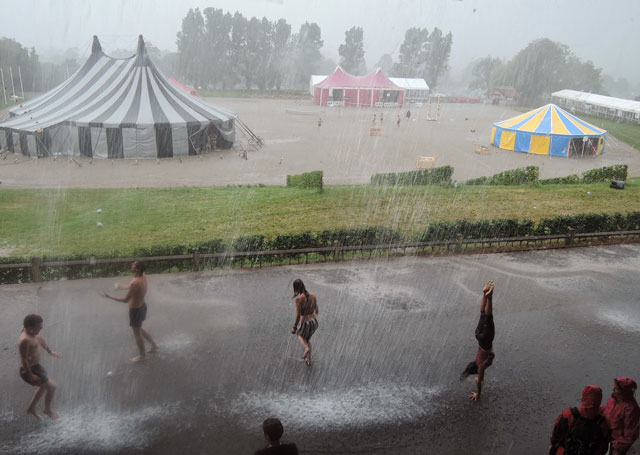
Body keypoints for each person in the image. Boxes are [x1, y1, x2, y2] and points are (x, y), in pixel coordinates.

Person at [101, 261, 158, 363]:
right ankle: (154, 345)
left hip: (135, 310)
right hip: (142, 306)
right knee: (139, 328)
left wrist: (109, 296)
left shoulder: (135, 282)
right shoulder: (143, 276)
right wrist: (120, 286)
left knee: (137, 332)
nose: (131, 265)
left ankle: (142, 355)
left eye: (133, 265)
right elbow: (131, 287)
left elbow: (125, 300)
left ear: (137, 269)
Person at [18, 314, 62, 420]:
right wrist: (31, 375)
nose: (41, 328)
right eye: (39, 327)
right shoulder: (25, 340)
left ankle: (31, 408)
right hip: (29, 370)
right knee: (51, 387)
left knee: (43, 387)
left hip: (37, 367)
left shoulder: (33, 332)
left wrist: (50, 351)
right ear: (29, 327)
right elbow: (24, 360)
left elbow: (40, 339)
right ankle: (47, 409)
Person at [549, 385, 610, 455]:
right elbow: (603, 447)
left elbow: (555, 437)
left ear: (584, 397)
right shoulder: (602, 423)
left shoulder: (569, 415)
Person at [460, 280, 495, 400]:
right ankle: (484, 293)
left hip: (485, 340)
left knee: (488, 317)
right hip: (478, 337)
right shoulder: (478, 361)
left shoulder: (481, 366)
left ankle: (489, 297)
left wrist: (478, 394)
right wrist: (480, 377)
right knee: (482, 314)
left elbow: (479, 381)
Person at [601, 377, 639, 455]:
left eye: (616, 389)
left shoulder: (631, 409)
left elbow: (630, 434)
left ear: (624, 391)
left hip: (617, 441)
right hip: (606, 434)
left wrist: (617, 448)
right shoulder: (614, 399)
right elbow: (608, 408)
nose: (613, 390)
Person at [291, 279, 318, 366]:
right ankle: (309, 360)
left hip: (306, 322)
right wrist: (312, 316)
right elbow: (316, 309)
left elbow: (298, 314)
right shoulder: (313, 295)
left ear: (296, 288)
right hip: (314, 322)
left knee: (299, 335)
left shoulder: (299, 299)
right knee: (307, 339)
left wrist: (295, 327)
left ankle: (306, 348)